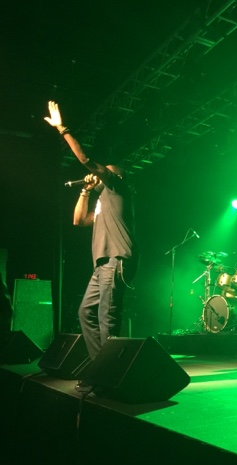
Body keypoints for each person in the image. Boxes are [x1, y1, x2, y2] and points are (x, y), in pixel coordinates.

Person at [45, 101, 138, 392]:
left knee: (106, 319)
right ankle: (101, 370)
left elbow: (86, 160)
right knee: (86, 313)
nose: (101, 173)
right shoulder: (101, 202)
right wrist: (85, 191)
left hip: (116, 261)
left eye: (105, 172)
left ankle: (108, 379)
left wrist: (62, 129)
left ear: (116, 175)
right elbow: (78, 221)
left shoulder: (117, 189)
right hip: (101, 266)